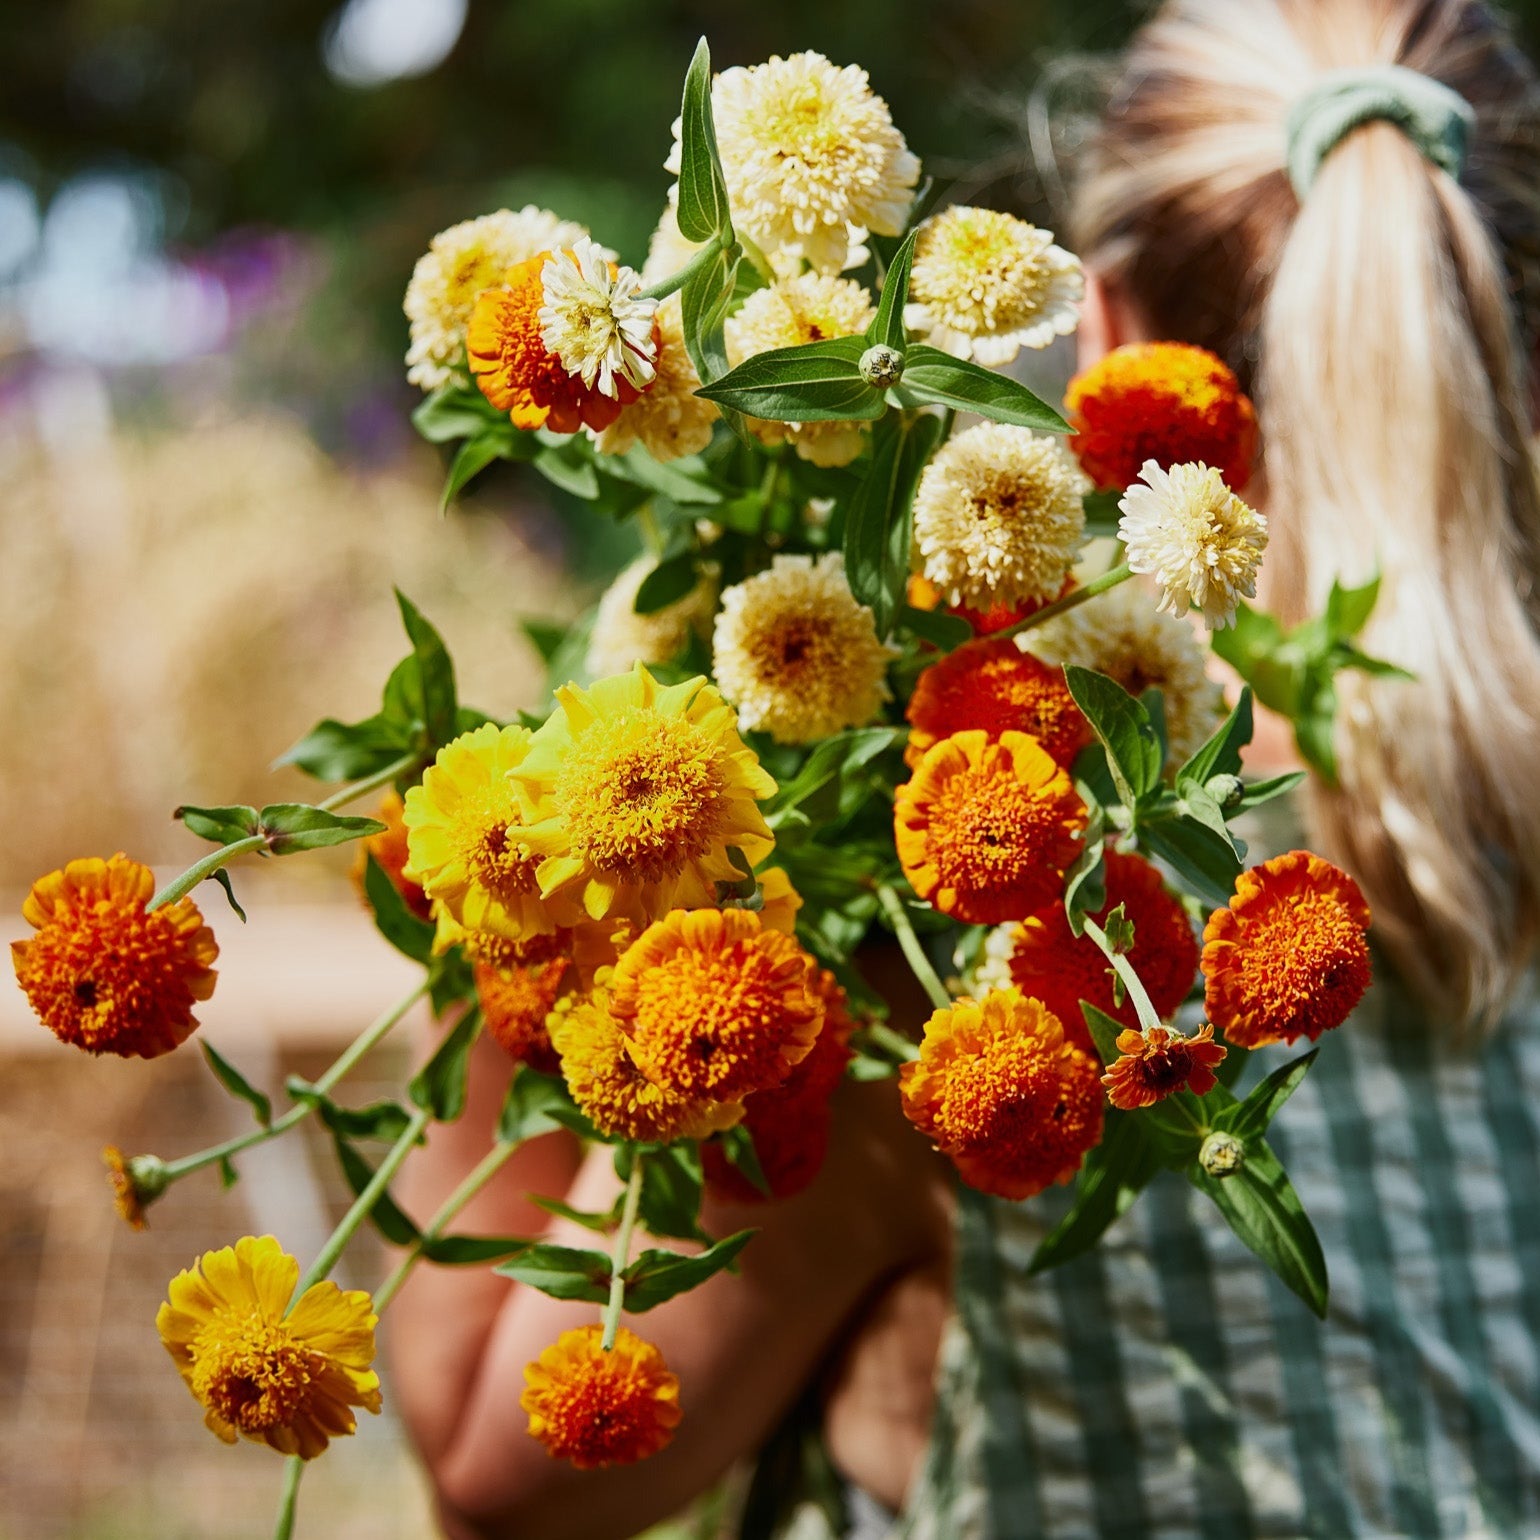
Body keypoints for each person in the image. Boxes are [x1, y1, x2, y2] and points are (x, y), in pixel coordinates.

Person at [390, 1, 1540, 1535]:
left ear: (1110, 332)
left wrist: (491, 874)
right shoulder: (1483, 835)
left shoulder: (987, 938)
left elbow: (500, 1477)